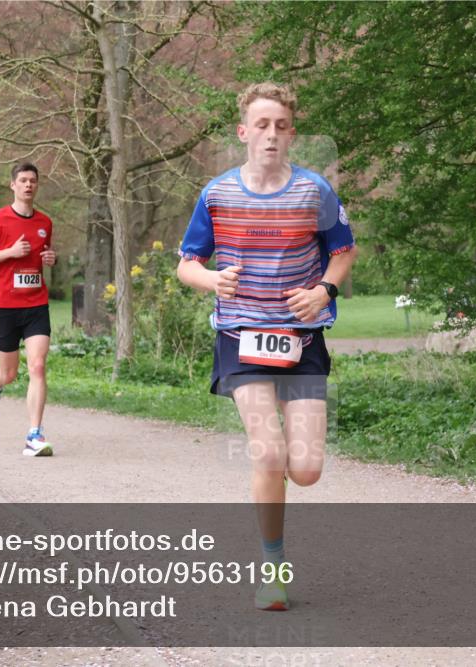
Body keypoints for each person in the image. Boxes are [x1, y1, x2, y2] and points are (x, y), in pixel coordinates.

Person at [176, 82, 356, 611]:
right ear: (243, 133)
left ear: (291, 133)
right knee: (270, 451)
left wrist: (323, 289)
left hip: (301, 340)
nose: (271, 134)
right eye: (261, 125)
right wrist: (212, 282)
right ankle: (272, 567)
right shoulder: (217, 194)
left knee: (305, 469)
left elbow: (343, 252)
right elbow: (187, 263)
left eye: (280, 125)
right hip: (240, 337)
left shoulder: (314, 191)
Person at [0, 162, 56, 456]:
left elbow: (41, 256)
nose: (28, 185)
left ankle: (34, 434)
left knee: (38, 366)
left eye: (33, 180)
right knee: (10, 373)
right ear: (13, 185)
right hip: (4, 306)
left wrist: (49, 259)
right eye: (23, 180)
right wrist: (10, 252)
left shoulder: (45, 222)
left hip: (36, 304)